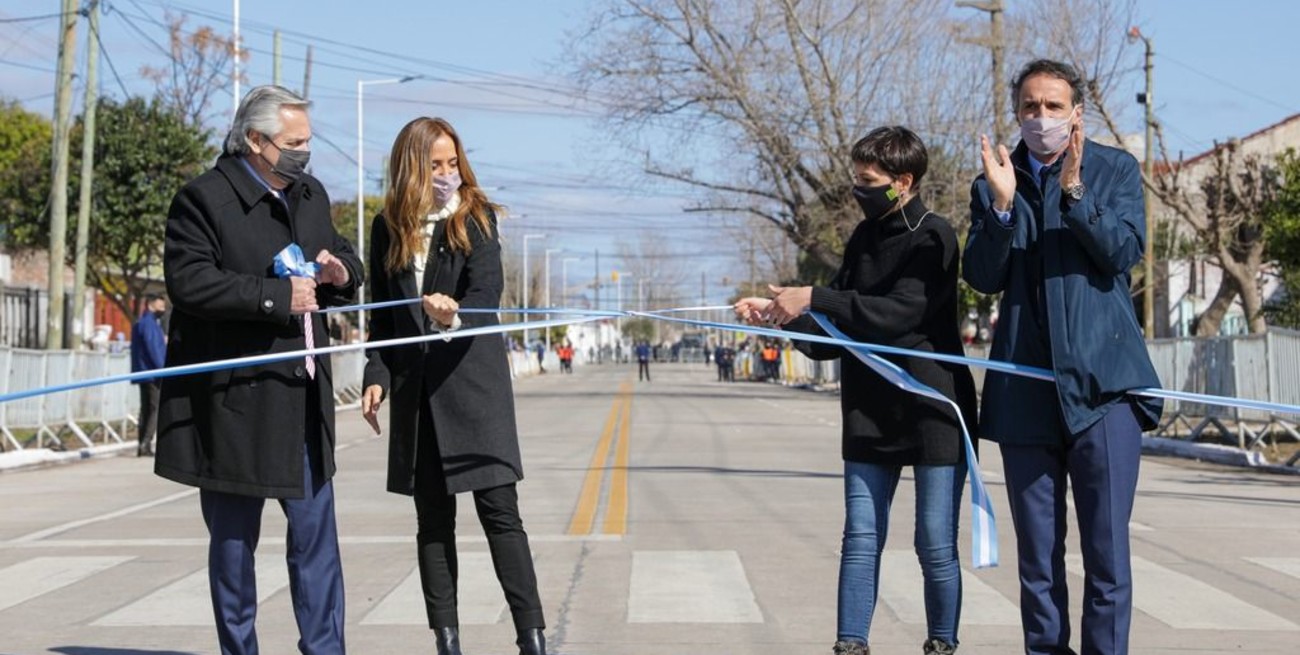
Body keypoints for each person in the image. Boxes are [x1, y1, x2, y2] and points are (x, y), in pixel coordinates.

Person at [736, 126, 976, 655]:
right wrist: (779, 317)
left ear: (902, 181)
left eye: (868, 181)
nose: (858, 190)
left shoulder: (935, 236)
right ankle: (851, 644)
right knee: (861, 537)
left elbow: (900, 314)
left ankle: (941, 643)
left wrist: (814, 296)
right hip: (869, 409)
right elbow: (835, 335)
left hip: (933, 407)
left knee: (934, 543)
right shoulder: (862, 240)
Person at [962, 59, 1163, 655]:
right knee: (1038, 561)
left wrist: (1075, 192)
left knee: (1107, 557)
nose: (1041, 117)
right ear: (1016, 112)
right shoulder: (995, 181)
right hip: (1025, 397)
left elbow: (1122, 252)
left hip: (1104, 393)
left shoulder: (1114, 168)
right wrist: (1001, 209)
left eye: (1053, 105)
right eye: (1030, 106)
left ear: (1077, 112)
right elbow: (982, 276)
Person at [157, 85, 361, 655]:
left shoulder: (310, 195)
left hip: (303, 398)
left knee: (317, 543)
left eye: (307, 142)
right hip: (235, 407)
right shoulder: (204, 199)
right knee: (233, 548)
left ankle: (325, 648)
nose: (304, 154)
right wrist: (274, 298)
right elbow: (190, 282)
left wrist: (341, 274)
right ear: (255, 140)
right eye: (293, 144)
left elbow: (344, 254)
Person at [360, 116, 547, 655]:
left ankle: (531, 637)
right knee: (433, 523)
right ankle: (446, 640)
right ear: (411, 169)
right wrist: (377, 375)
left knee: (500, 513)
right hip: (418, 394)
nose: (447, 174)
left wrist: (453, 314)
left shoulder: (476, 216)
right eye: (435, 165)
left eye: (452, 163)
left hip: (474, 388)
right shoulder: (387, 226)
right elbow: (383, 318)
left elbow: (487, 295)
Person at [130, 293, 167, 457]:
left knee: (146, 408)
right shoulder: (149, 324)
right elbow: (154, 349)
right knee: (154, 408)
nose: (163, 309)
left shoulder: (141, 323)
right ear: (151, 305)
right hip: (152, 373)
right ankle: (145, 443)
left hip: (143, 372)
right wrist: (163, 369)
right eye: (160, 306)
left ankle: (142, 443)